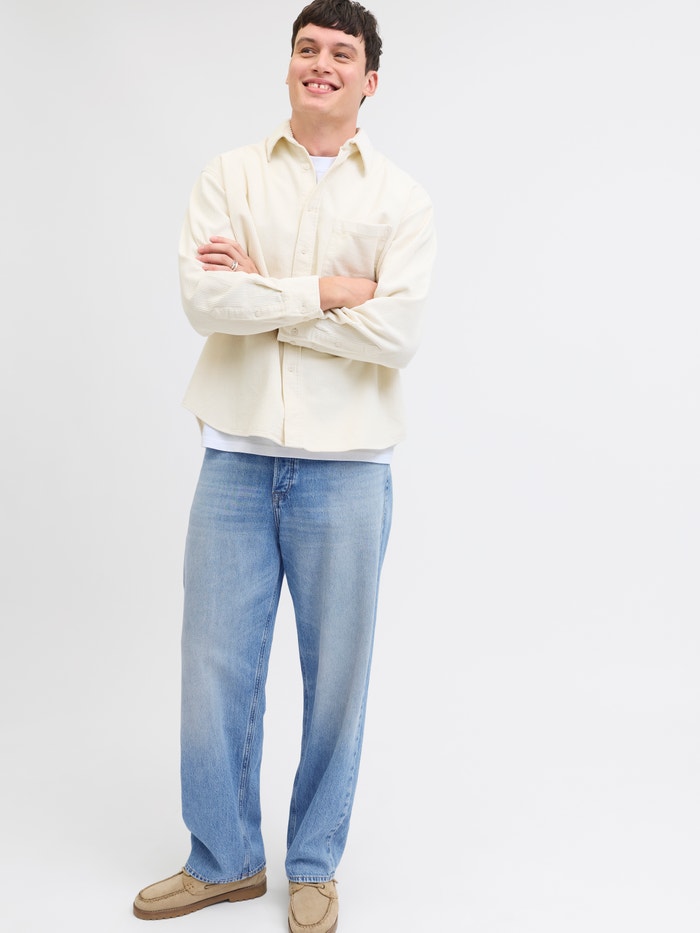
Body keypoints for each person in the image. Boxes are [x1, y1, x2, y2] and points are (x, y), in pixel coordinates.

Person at [133, 1, 435, 930]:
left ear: (368, 80)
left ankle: (313, 863)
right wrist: (330, 291)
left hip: (349, 468)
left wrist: (263, 295)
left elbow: (396, 334)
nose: (321, 63)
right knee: (213, 669)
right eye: (307, 48)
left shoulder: (402, 200)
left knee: (337, 675)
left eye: (342, 53)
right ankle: (223, 859)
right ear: (290, 64)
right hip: (233, 457)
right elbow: (205, 302)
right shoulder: (227, 177)